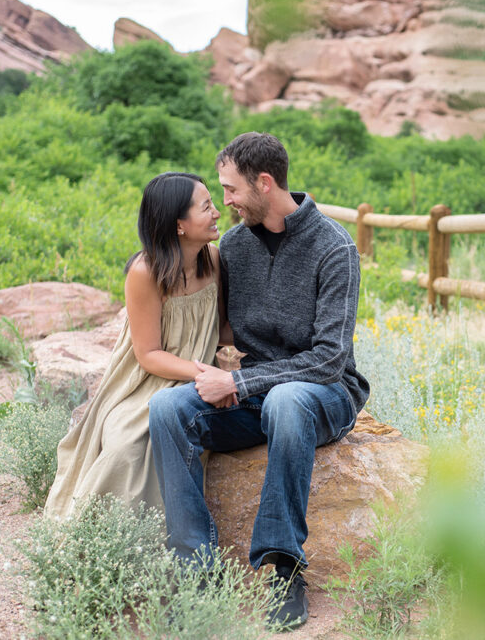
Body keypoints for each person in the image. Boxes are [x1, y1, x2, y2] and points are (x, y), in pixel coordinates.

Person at [148, 132, 369, 630]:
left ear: (263, 184)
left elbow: (329, 360)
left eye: (230, 190)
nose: (223, 202)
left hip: (323, 396)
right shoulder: (233, 246)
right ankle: (195, 572)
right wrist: (224, 375)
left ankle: (284, 568)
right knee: (167, 410)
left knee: (287, 401)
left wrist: (241, 385)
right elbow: (216, 322)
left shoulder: (335, 249)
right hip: (253, 398)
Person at [45, 172, 232, 519]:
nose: (217, 213)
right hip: (144, 382)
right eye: (207, 207)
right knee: (125, 448)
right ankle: (98, 540)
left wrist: (239, 365)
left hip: (199, 375)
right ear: (179, 225)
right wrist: (203, 374)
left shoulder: (214, 260)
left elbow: (221, 329)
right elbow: (148, 355)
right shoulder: (145, 272)